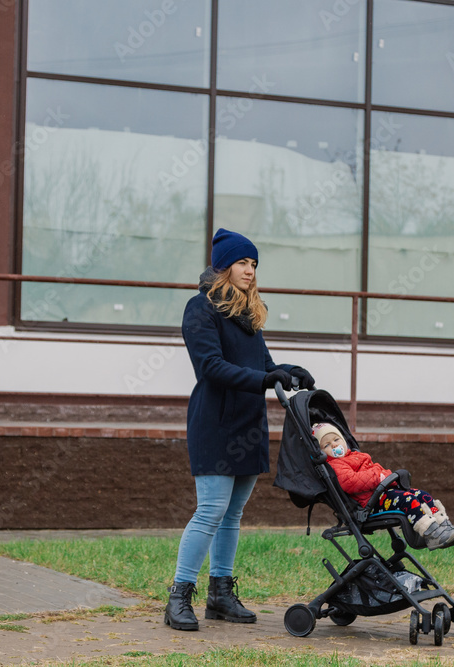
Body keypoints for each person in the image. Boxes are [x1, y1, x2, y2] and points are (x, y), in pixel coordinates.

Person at [165, 228, 316, 632]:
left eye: (253, 264)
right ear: (223, 266)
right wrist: (265, 379)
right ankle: (179, 596)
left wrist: (288, 371)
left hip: (249, 423)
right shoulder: (200, 309)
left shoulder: (249, 313)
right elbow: (210, 367)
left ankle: (220, 594)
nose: (250, 270)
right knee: (211, 510)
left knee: (232, 514)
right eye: (242, 262)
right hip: (215, 422)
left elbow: (263, 365)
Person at [312, 422, 454, 550]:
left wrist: (388, 478)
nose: (334, 445)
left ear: (344, 441)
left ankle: (444, 527)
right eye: (327, 445)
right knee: (408, 500)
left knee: (423, 495)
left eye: (336, 440)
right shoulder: (335, 465)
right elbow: (350, 482)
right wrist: (379, 477)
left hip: (383, 493)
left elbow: (380, 471)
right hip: (371, 504)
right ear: (321, 452)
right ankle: (431, 534)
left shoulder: (357, 456)